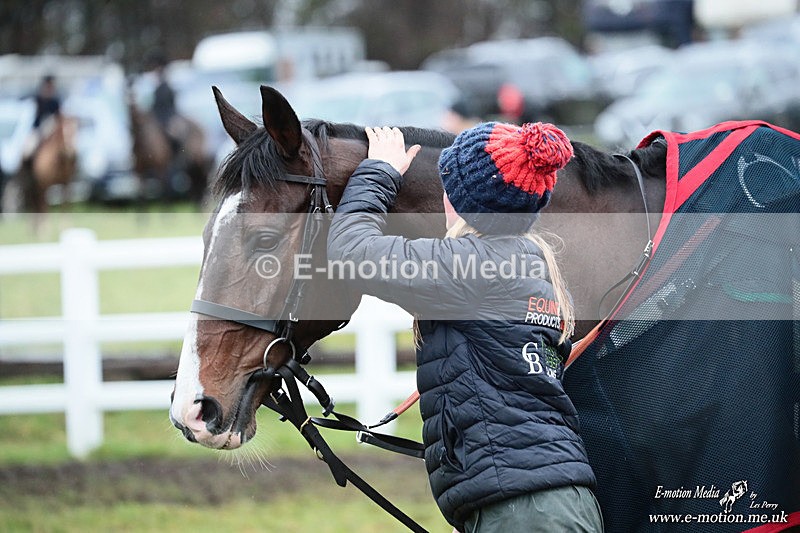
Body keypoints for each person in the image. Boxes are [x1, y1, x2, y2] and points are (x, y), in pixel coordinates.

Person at [327, 123, 603, 532]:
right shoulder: (531, 266)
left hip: (522, 511)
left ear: (459, 200)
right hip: (549, 500)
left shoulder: (473, 267)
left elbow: (350, 251)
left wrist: (379, 172)